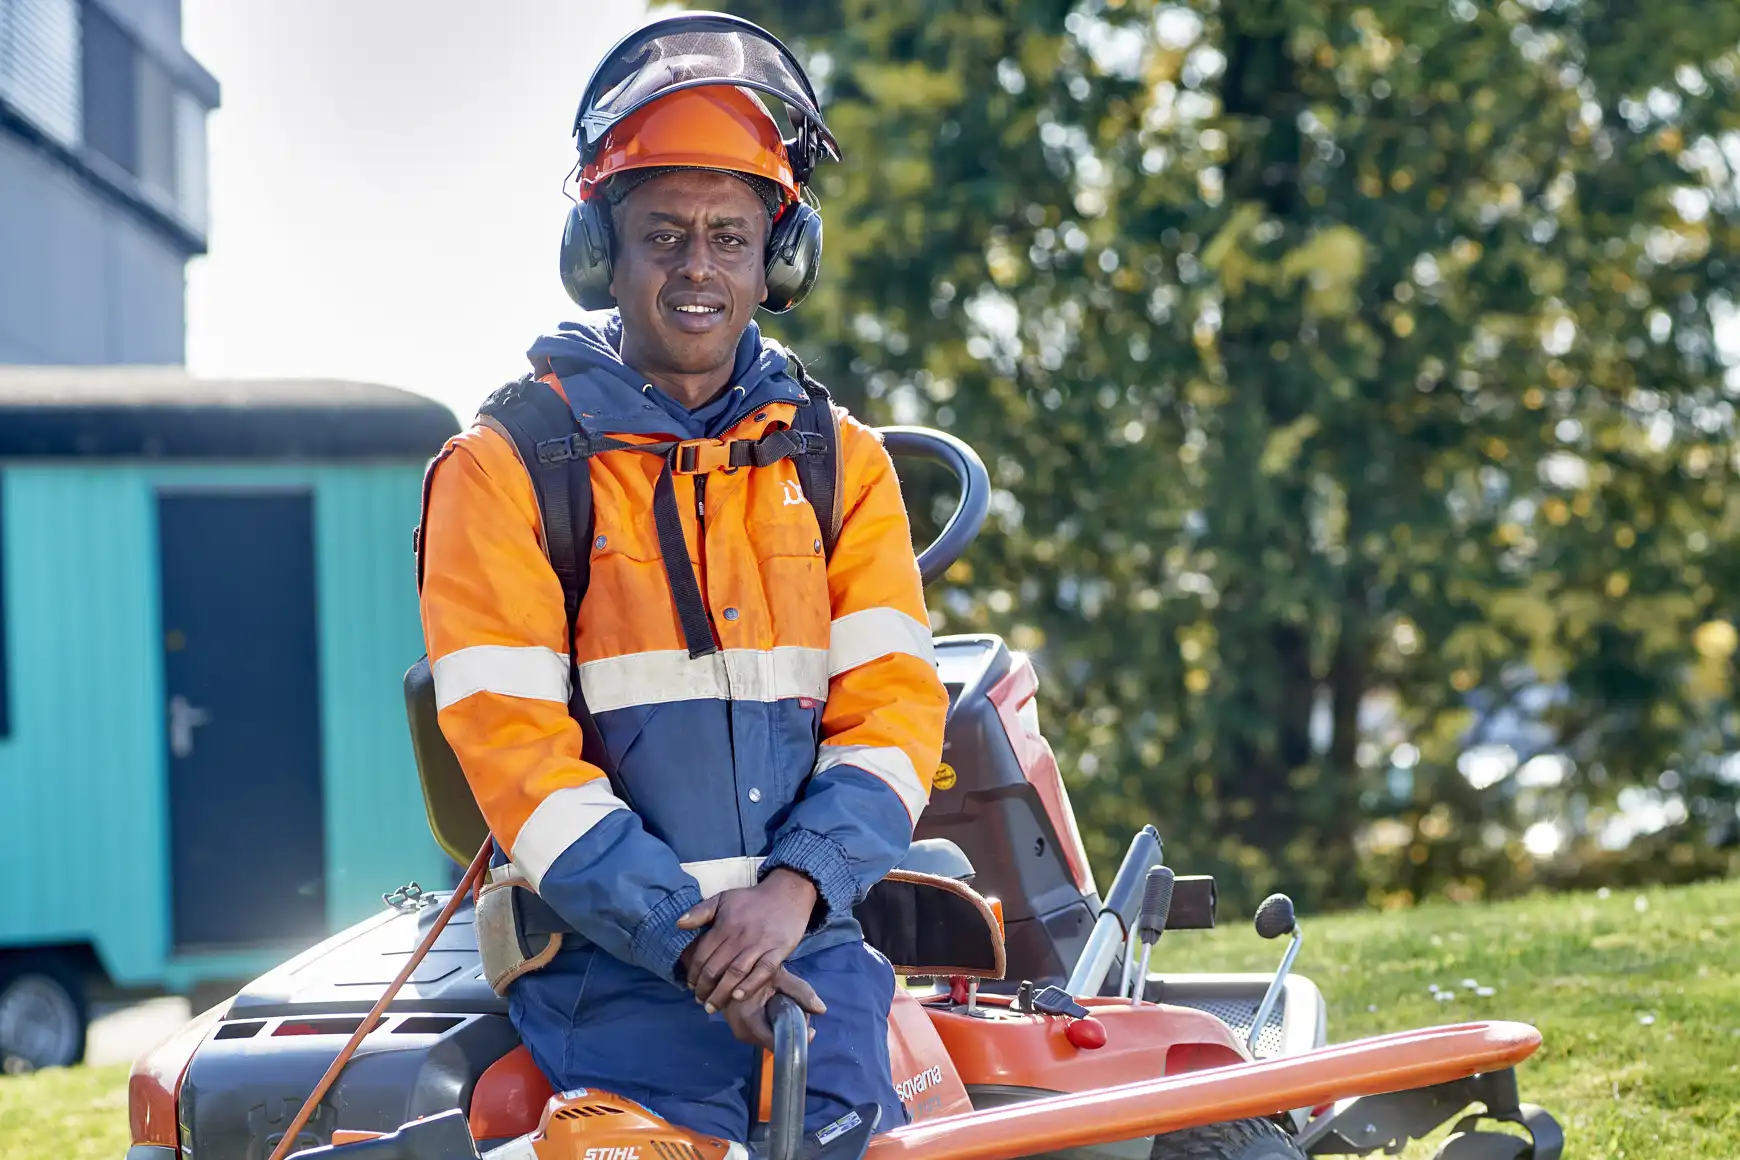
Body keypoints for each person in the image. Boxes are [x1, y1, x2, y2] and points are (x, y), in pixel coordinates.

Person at [416, 12, 948, 1146]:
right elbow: (512, 747)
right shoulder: (505, 467)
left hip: (809, 949)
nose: (697, 266)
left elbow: (897, 710)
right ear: (604, 253)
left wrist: (795, 895)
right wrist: (693, 936)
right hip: (603, 975)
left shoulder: (840, 460)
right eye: (663, 235)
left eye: (728, 234)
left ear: (779, 255)